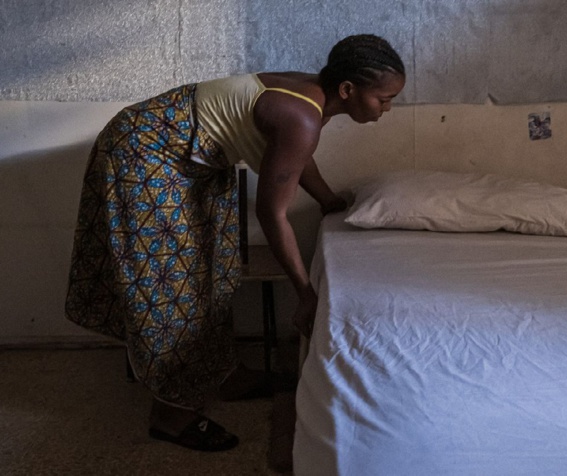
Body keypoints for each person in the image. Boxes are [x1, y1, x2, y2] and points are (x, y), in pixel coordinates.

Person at [65, 34, 405, 452]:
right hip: (145, 153)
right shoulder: (302, 116)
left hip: (186, 157)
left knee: (215, 266)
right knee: (177, 286)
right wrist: (305, 293)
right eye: (384, 99)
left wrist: (327, 199)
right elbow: (272, 214)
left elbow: (294, 157)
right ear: (349, 90)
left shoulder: (311, 98)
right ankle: (172, 416)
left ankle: (225, 374)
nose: (388, 108)